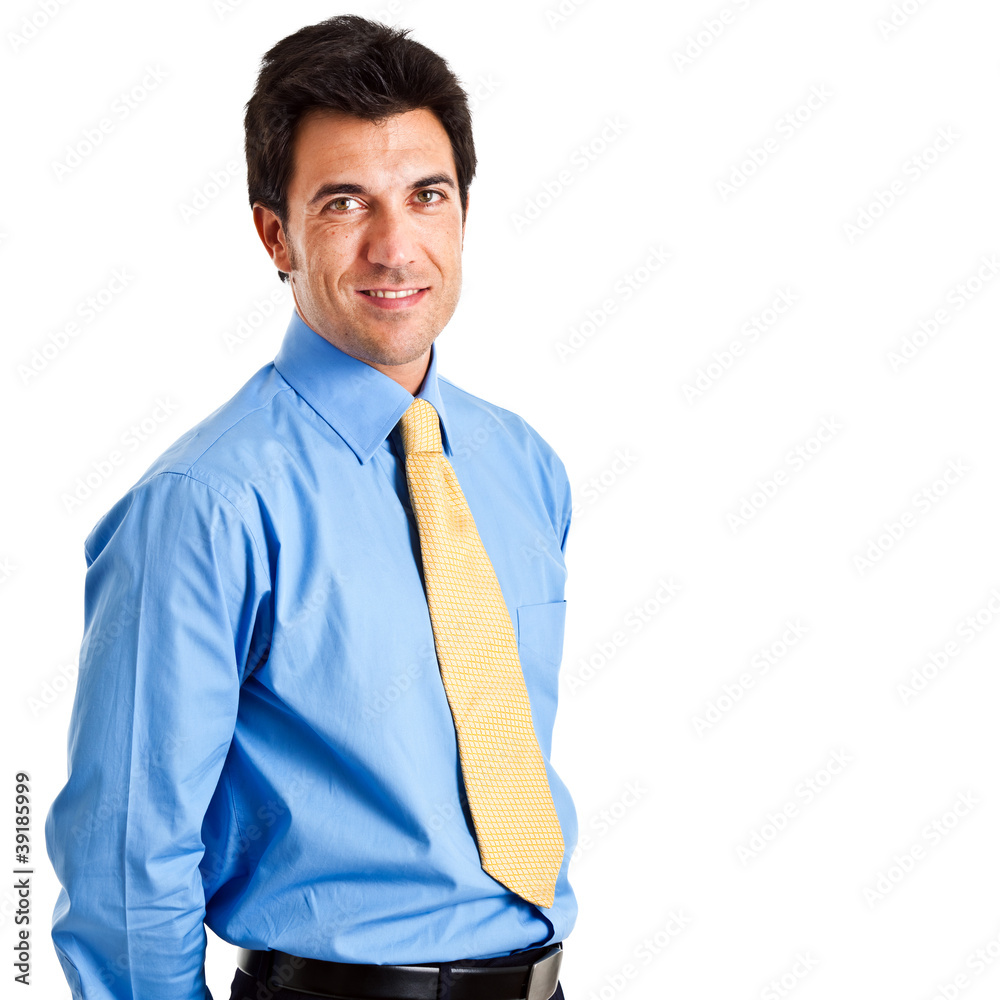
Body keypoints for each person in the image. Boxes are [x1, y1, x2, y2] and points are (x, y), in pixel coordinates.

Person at [45, 15, 578, 1000]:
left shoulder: (522, 467)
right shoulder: (203, 506)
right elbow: (126, 857)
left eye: (427, 196)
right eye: (344, 203)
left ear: (462, 212)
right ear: (275, 234)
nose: (395, 247)